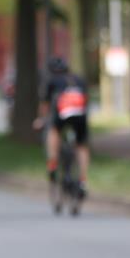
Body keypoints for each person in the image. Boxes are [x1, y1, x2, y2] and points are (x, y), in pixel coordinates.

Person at [33, 56, 90, 197]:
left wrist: (41, 119)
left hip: (62, 114)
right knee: (81, 145)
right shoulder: (79, 80)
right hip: (80, 114)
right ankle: (83, 180)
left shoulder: (51, 81)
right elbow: (85, 99)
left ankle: (52, 165)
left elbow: (45, 104)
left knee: (53, 131)